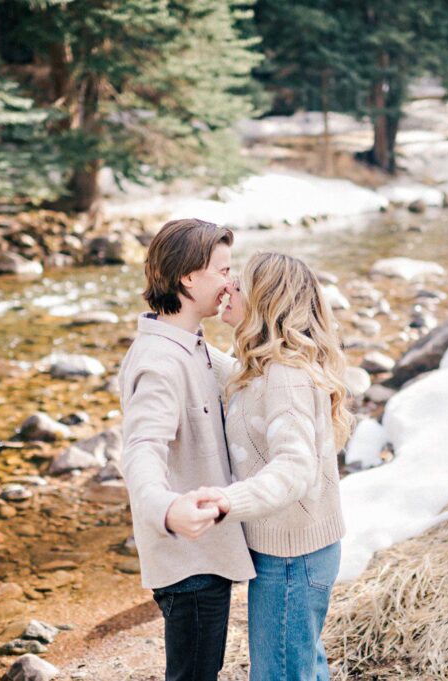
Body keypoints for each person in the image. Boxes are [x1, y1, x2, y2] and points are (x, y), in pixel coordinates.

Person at [189, 252, 353, 681]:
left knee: (279, 672)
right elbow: (236, 382)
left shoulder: (285, 375)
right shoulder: (264, 367)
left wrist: (229, 500)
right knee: (302, 663)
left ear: (265, 302)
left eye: (237, 285)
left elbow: (295, 467)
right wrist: (181, 334)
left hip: (292, 561)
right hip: (296, 552)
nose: (227, 290)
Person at [118, 218, 254, 681]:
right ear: (188, 277)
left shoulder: (191, 345)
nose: (231, 282)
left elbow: (251, 375)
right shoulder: (159, 362)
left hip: (204, 550)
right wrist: (165, 509)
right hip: (189, 557)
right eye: (223, 270)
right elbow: (140, 448)